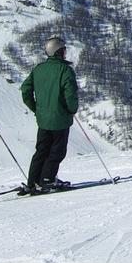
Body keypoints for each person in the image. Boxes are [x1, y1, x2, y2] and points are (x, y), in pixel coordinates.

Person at [20, 36, 79, 194]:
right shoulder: (65, 71)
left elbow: (25, 90)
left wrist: (36, 109)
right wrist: (71, 109)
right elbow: (71, 95)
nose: (65, 53)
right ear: (59, 52)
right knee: (57, 152)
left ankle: (32, 181)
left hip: (43, 118)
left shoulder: (38, 69)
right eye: (64, 50)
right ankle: (47, 180)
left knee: (41, 150)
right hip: (60, 118)